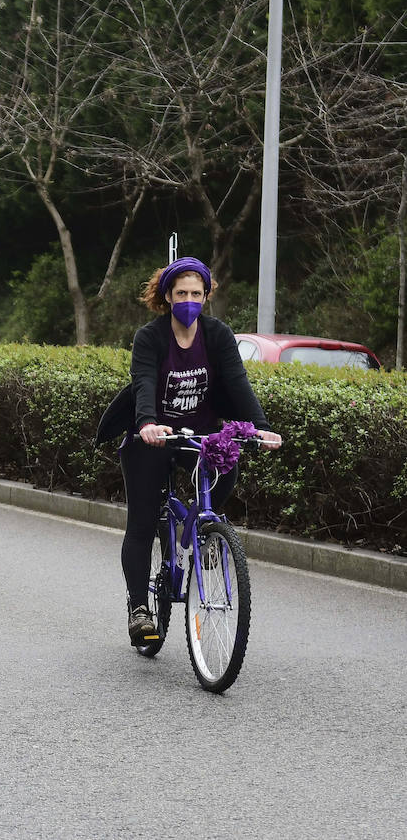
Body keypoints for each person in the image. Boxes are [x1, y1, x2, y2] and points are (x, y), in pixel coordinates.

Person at [96, 256, 281, 646]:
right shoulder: (150, 337)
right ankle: (139, 609)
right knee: (143, 522)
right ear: (167, 296)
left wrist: (260, 427)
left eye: (197, 293)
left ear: (207, 295)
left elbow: (237, 382)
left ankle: (203, 532)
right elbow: (143, 381)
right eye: (182, 293)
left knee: (226, 468)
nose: (189, 300)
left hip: (199, 436)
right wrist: (147, 422)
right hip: (154, 436)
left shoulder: (217, 335)